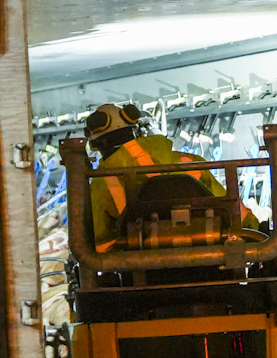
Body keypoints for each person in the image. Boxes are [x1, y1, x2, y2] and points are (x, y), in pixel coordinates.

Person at [83, 102, 253, 250]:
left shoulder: (102, 184)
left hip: (144, 276)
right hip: (212, 268)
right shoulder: (191, 163)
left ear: (94, 145)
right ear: (136, 132)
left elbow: (100, 245)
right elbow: (238, 214)